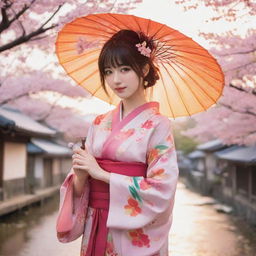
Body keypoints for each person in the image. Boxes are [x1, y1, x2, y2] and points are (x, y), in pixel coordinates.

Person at [56, 29, 179, 256]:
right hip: (96, 220)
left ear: (144, 69)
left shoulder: (158, 125)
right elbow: (83, 179)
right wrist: (81, 177)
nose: (115, 80)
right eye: (108, 71)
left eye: (124, 69)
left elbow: (163, 189)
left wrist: (103, 175)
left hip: (132, 229)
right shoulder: (99, 122)